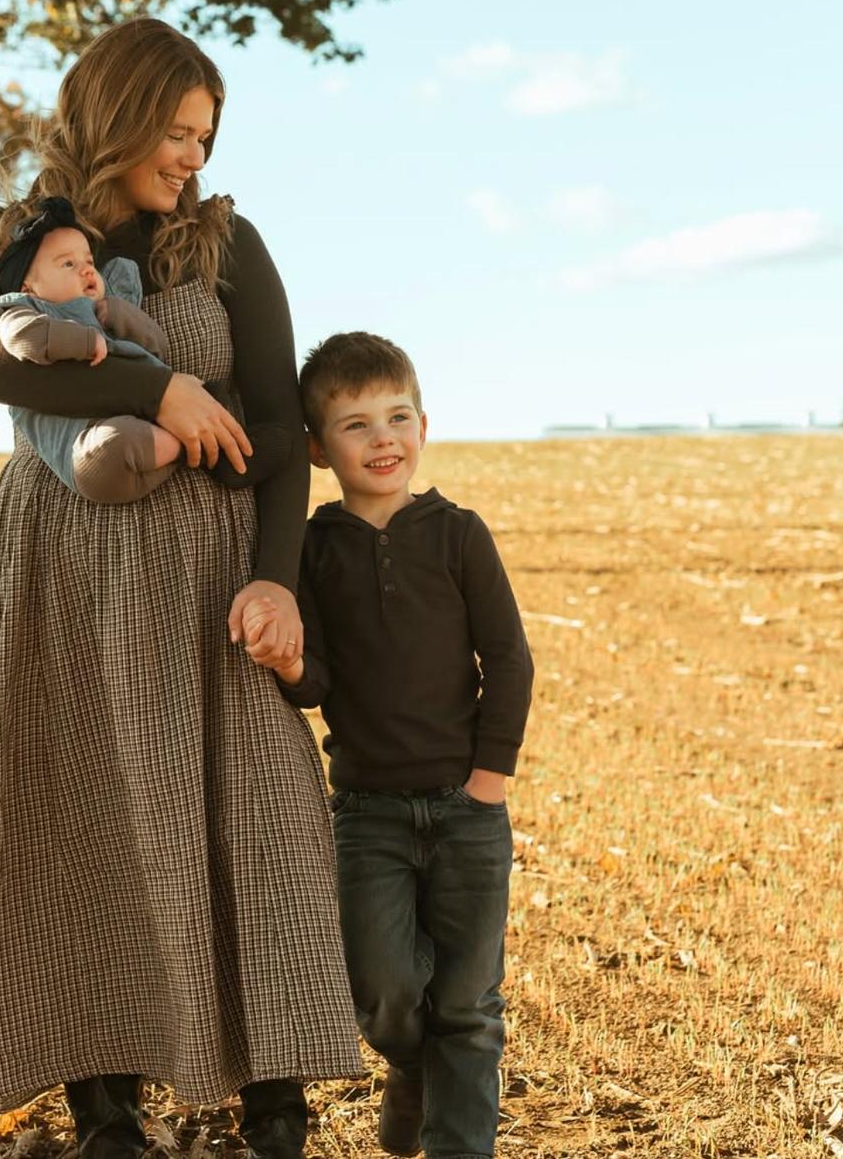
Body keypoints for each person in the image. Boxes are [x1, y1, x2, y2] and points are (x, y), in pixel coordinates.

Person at [0, 19, 361, 1159]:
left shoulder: (228, 245)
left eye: (205, 137)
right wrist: (155, 389)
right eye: (176, 130)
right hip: (59, 564)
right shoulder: (29, 235)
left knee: (257, 801)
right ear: (118, 113)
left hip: (213, 566)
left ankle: (274, 1095)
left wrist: (275, 577)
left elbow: (270, 417)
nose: (192, 159)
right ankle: (103, 1102)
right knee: (78, 807)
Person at [240, 332, 534, 1159]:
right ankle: (410, 1066)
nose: (383, 439)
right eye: (357, 424)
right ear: (316, 446)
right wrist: (294, 663)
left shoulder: (459, 534)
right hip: (366, 811)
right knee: (386, 995)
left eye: (398, 417)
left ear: (424, 425)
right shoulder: (312, 547)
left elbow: (508, 659)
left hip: (469, 810)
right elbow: (317, 682)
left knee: (470, 1005)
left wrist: (488, 783)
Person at [0, 196, 290, 503]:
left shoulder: (108, 307)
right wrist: (82, 341)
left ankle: (226, 453)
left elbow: (156, 346)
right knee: (114, 443)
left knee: (203, 395)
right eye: (68, 264)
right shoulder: (25, 309)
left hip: (145, 426)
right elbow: (23, 339)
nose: (86, 271)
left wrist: (122, 315)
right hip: (88, 451)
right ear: (27, 286)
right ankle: (198, 449)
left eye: (89, 262)